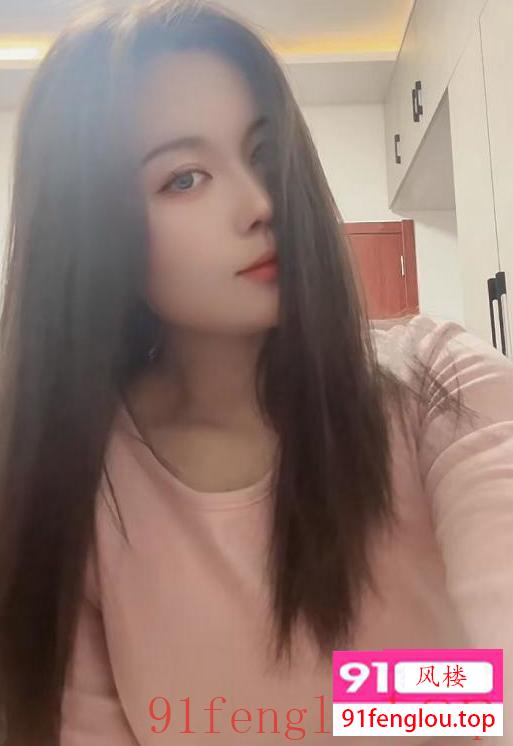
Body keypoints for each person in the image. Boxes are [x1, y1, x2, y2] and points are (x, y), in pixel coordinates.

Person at [0, 1, 511, 744]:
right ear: (93, 231)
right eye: (184, 178)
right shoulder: (77, 482)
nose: (260, 204)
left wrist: (361, 709)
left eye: (265, 155)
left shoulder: (439, 386)